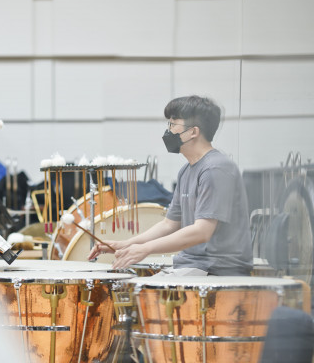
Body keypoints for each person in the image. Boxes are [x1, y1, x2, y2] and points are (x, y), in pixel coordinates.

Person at [89, 95, 252, 276]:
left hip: (217, 270)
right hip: (194, 265)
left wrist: (146, 249)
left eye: (173, 124)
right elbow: (169, 224)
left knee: (142, 292)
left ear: (193, 132)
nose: (168, 131)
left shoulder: (216, 169)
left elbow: (202, 231)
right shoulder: (186, 171)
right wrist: (129, 244)